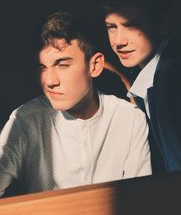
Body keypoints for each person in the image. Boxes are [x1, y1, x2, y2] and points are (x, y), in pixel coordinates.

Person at [0, 11, 151, 197]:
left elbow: (142, 200)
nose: (49, 81)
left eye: (62, 65)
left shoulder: (130, 119)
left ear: (94, 66)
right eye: (42, 68)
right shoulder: (26, 120)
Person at [102, 0, 181, 173]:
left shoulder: (176, 75)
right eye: (112, 27)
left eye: (131, 25)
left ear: (162, 24)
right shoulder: (154, 69)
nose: (119, 41)